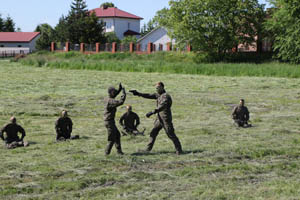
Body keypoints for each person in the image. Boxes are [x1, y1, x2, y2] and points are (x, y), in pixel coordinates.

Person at [130, 82, 183, 155]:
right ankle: (148, 149)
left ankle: (179, 150)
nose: (156, 89)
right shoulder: (158, 95)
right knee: (153, 133)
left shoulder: (166, 96)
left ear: (162, 87)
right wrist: (138, 93)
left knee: (170, 134)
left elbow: (162, 106)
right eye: (156, 88)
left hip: (165, 119)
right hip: (159, 119)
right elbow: (149, 95)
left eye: (158, 88)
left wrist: (153, 112)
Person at [104, 83, 126, 155]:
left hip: (110, 121)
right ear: (111, 93)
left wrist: (119, 89)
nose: (115, 92)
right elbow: (121, 102)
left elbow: (115, 94)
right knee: (111, 139)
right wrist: (124, 94)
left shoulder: (108, 98)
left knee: (117, 135)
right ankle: (107, 153)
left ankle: (119, 151)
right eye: (114, 91)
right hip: (109, 122)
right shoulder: (111, 101)